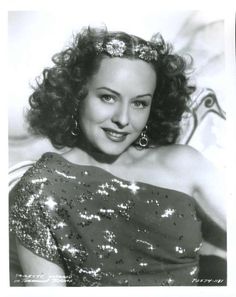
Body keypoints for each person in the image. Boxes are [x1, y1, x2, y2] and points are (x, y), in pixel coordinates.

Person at [9, 26, 226, 286]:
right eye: (108, 97)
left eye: (139, 103)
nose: (123, 119)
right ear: (77, 96)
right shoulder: (41, 187)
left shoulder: (184, 163)